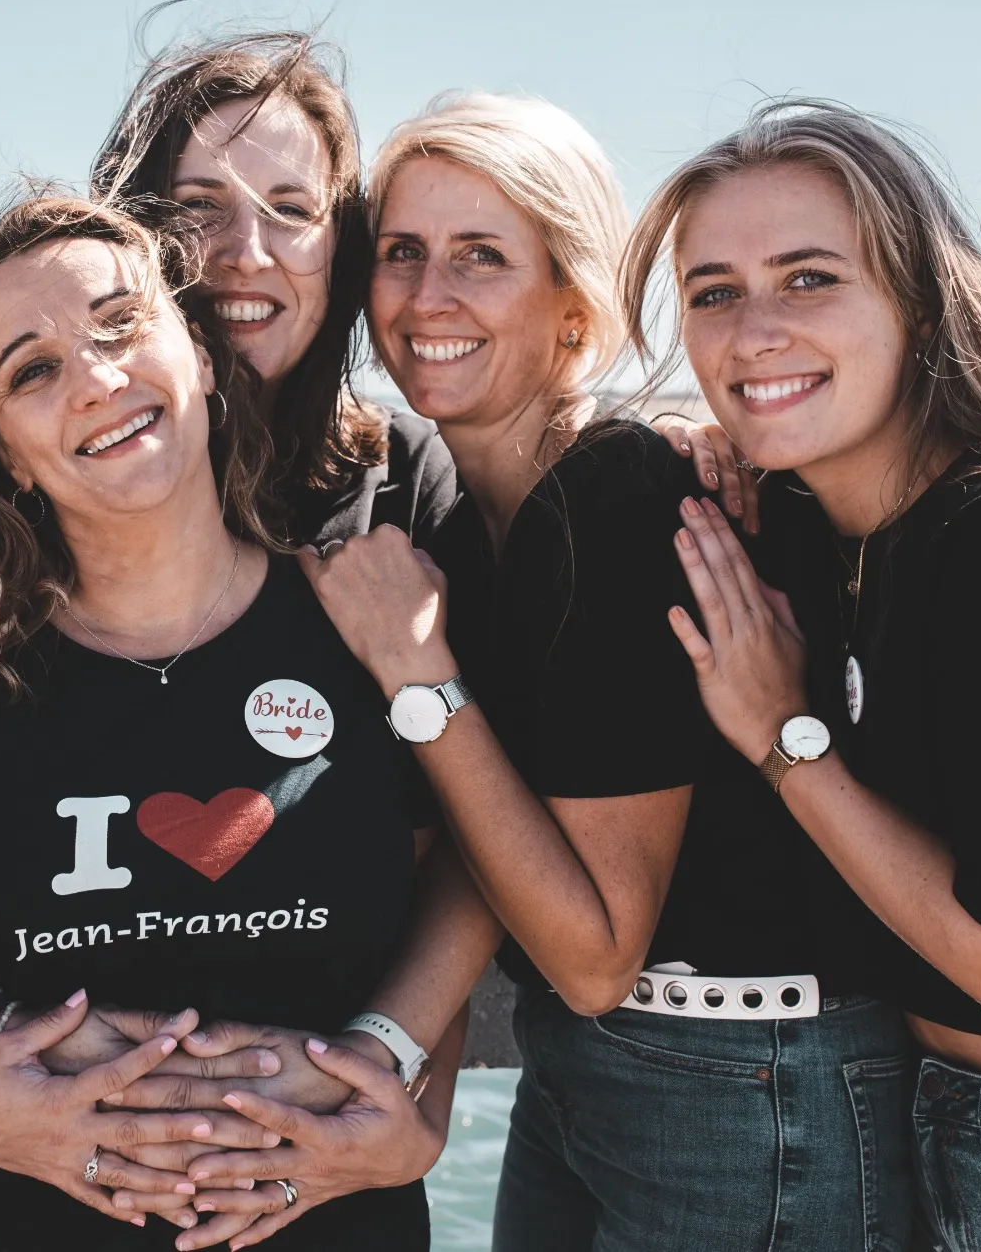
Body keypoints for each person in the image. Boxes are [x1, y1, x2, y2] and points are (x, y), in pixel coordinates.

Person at [300, 93, 916, 1250]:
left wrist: (415, 678)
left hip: (744, 1083)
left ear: (573, 309)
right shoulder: (457, 513)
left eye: (482, 256)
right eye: (401, 253)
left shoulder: (621, 501)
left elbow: (590, 953)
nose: (427, 297)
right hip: (594, 1066)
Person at [0, 195, 500, 1251]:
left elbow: (465, 863)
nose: (96, 379)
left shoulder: (367, 621)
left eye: (117, 326)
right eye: (32, 370)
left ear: (195, 350)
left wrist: (392, 1064)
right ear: (1, 446)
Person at [640, 100, 981, 1251]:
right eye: (713, 291)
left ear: (918, 305)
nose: (752, 331)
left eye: (808, 278)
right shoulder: (852, 532)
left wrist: (784, 740)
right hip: (976, 1130)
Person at [0, 32, 460, 567]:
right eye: (201, 206)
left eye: (291, 211)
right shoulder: (27, 440)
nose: (249, 254)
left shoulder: (406, 476)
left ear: (341, 245)